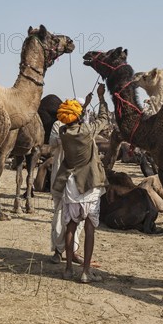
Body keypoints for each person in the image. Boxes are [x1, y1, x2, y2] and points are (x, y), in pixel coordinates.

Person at [52, 84, 109, 283]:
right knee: (90, 228)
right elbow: (103, 119)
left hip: (70, 186)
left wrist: (84, 105)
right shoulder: (87, 131)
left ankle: (68, 269)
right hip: (90, 186)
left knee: (71, 226)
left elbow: (72, 121)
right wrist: (101, 99)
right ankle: (85, 272)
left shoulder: (63, 133)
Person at [49, 93, 93, 265]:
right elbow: (53, 143)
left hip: (79, 177)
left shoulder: (83, 128)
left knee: (79, 216)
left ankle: (72, 250)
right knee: (60, 215)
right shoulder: (58, 126)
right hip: (62, 175)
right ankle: (58, 250)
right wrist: (67, 136)